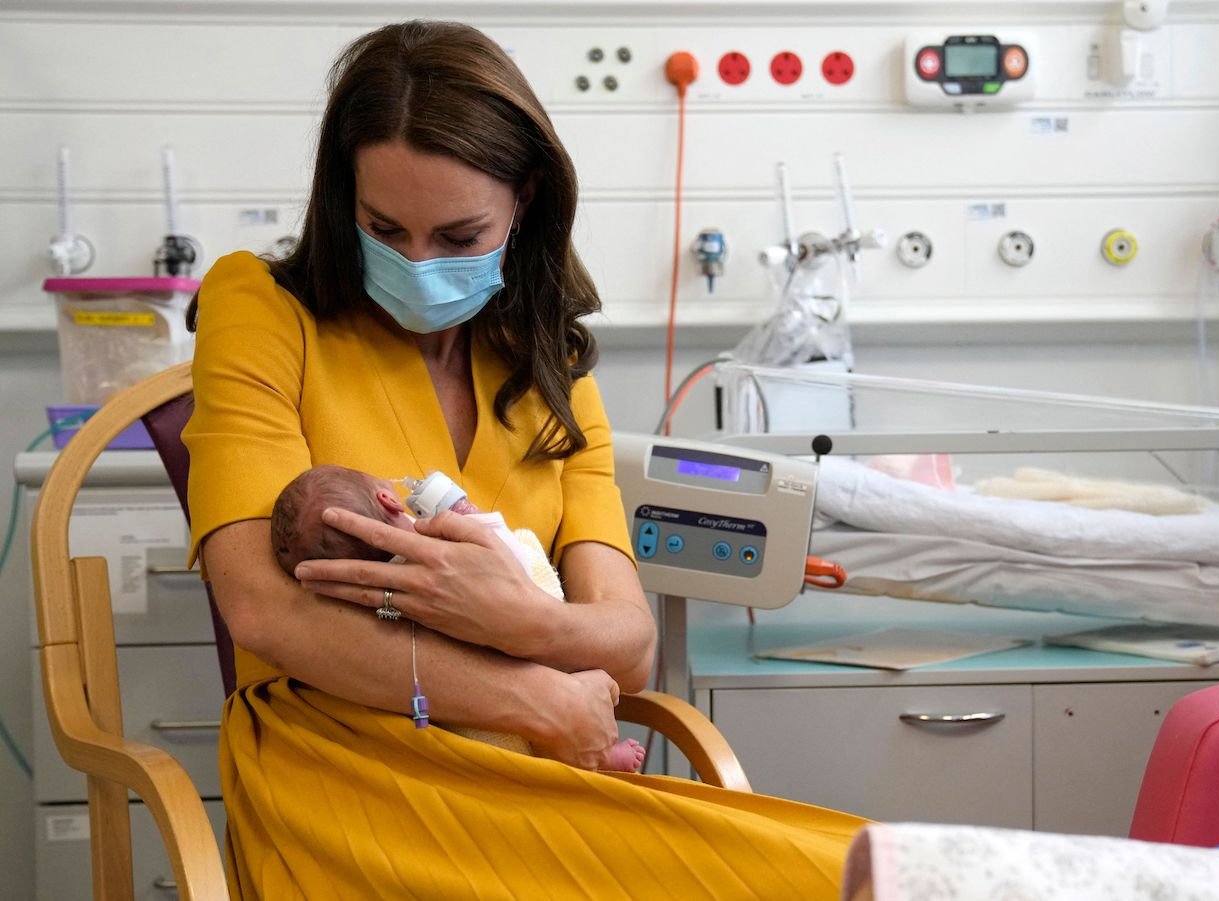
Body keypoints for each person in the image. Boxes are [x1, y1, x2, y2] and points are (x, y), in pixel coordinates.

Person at [184, 19, 868, 898]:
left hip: (545, 767)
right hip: (346, 767)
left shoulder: (550, 365)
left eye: (460, 236)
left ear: (526, 202)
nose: (417, 262)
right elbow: (264, 613)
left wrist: (510, 615)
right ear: (341, 200)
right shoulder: (262, 307)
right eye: (384, 228)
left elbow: (627, 648)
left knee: (863, 870)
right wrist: (536, 695)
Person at [269, 463, 646, 771]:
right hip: (541, 698)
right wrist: (474, 518)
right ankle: (598, 757)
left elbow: (635, 652)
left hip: (449, 743)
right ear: (388, 499)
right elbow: (514, 561)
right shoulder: (445, 545)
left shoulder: (359, 604)